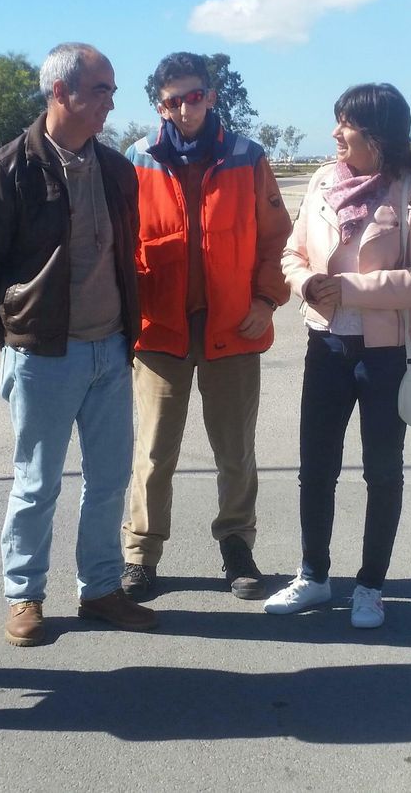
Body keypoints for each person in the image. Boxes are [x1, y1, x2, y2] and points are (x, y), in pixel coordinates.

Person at [0, 42, 158, 647]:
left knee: (110, 479)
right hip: (43, 356)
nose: (110, 104)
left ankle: (99, 590)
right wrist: (16, 336)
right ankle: (24, 595)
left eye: (112, 92)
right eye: (100, 91)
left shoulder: (118, 170)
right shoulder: (6, 168)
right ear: (61, 92)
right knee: (37, 482)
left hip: (112, 353)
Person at [265, 83, 411, 629]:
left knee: (382, 470)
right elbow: (292, 252)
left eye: (344, 123)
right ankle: (315, 575)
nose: (335, 133)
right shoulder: (324, 180)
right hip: (325, 346)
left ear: (377, 133)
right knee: (315, 467)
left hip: (386, 354)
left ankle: (371, 584)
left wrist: (348, 289)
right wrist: (307, 284)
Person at [119, 52, 293, 601]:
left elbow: (276, 240)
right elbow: (120, 245)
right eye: (173, 100)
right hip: (160, 330)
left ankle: (237, 547)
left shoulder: (248, 157)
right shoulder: (137, 160)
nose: (185, 108)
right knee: (152, 451)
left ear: (212, 96)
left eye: (194, 96)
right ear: (159, 106)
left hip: (235, 328)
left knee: (234, 450)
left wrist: (266, 299)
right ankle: (141, 555)